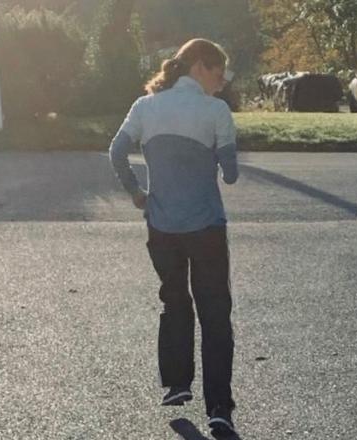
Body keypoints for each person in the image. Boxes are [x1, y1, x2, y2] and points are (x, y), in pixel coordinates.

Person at [108, 38, 239, 438]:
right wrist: (216, 156)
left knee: (174, 299)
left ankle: (177, 383)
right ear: (200, 66)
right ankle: (219, 407)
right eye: (219, 73)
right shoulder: (216, 111)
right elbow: (230, 173)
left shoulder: (145, 107)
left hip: (162, 225)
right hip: (206, 227)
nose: (222, 82)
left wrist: (136, 192)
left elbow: (117, 151)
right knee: (215, 314)